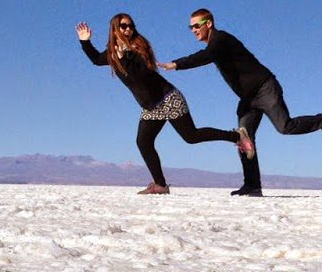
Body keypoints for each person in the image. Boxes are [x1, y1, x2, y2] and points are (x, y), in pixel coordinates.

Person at [159, 8, 322, 196]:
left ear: (209, 23)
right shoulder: (214, 45)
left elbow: (205, 56)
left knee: (285, 127)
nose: (193, 30)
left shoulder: (220, 39)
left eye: (196, 26)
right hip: (248, 98)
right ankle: (252, 185)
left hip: (265, 88)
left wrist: (176, 64)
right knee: (243, 138)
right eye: (190, 27)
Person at [76, 14, 241, 194]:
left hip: (167, 98)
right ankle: (160, 185)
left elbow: (138, 76)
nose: (128, 29)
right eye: (123, 26)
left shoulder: (138, 48)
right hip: (151, 106)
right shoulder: (113, 53)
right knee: (143, 142)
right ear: (115, 28)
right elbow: (96, 60)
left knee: (191, 136)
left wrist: (125, 56)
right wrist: (85, 42)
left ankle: (236, 137)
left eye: (131, 26)